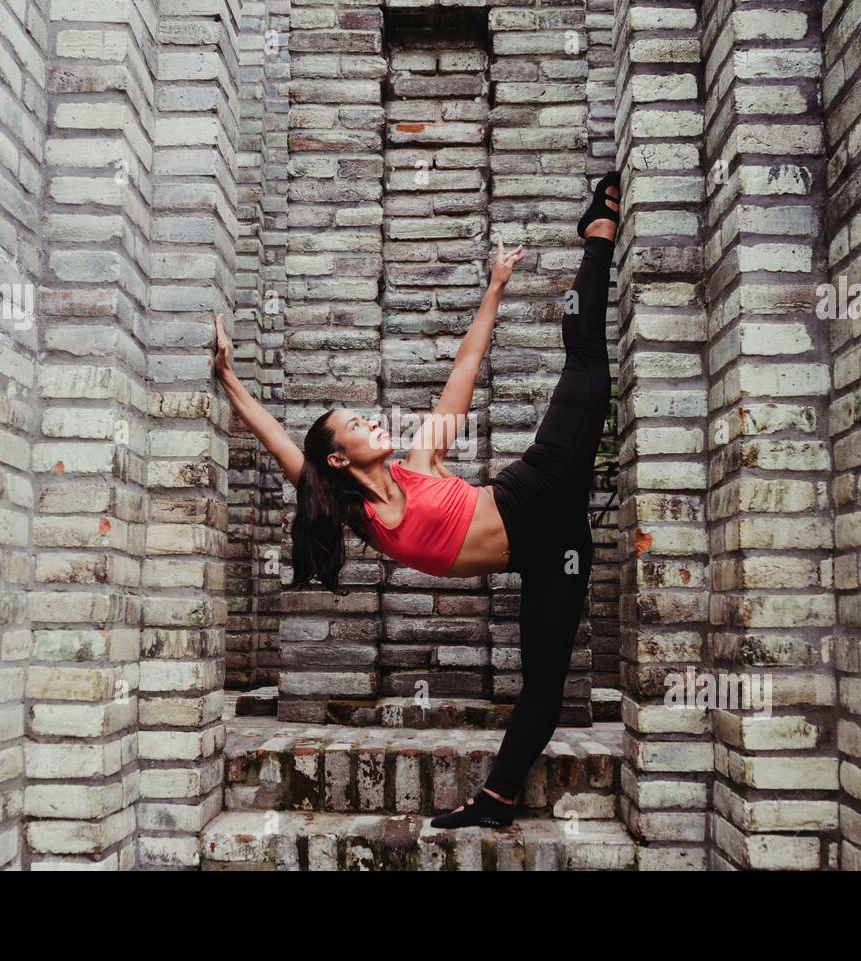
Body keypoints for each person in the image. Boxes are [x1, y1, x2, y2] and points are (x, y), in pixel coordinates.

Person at [213, 171, 621, 829]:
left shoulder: (422, 461)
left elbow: (463, 369)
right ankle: (497, 799)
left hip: (539, 488)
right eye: (356, 424)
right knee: (543, 684)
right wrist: (229, 381)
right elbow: (281, 445)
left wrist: (494, 286)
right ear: (339, 458)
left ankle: (599, 234)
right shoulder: (362, 516)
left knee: (588, 370)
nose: (373, 422)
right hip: (552, 550)